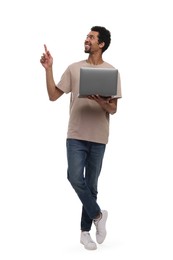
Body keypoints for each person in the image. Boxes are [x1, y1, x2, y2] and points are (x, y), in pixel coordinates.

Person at [40, 26, 122, 250]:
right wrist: (49, 69)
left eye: (92, 37)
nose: (87, 40)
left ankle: (85, 232)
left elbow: (113, 108)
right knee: (75, 177)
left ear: (101, 44)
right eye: (87, 37)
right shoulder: (74, 69)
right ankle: (98, 215)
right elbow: (52, 96)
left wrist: (102, 102)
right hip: (75, 134)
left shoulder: (112, 72)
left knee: (92, 186)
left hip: (99, 136)